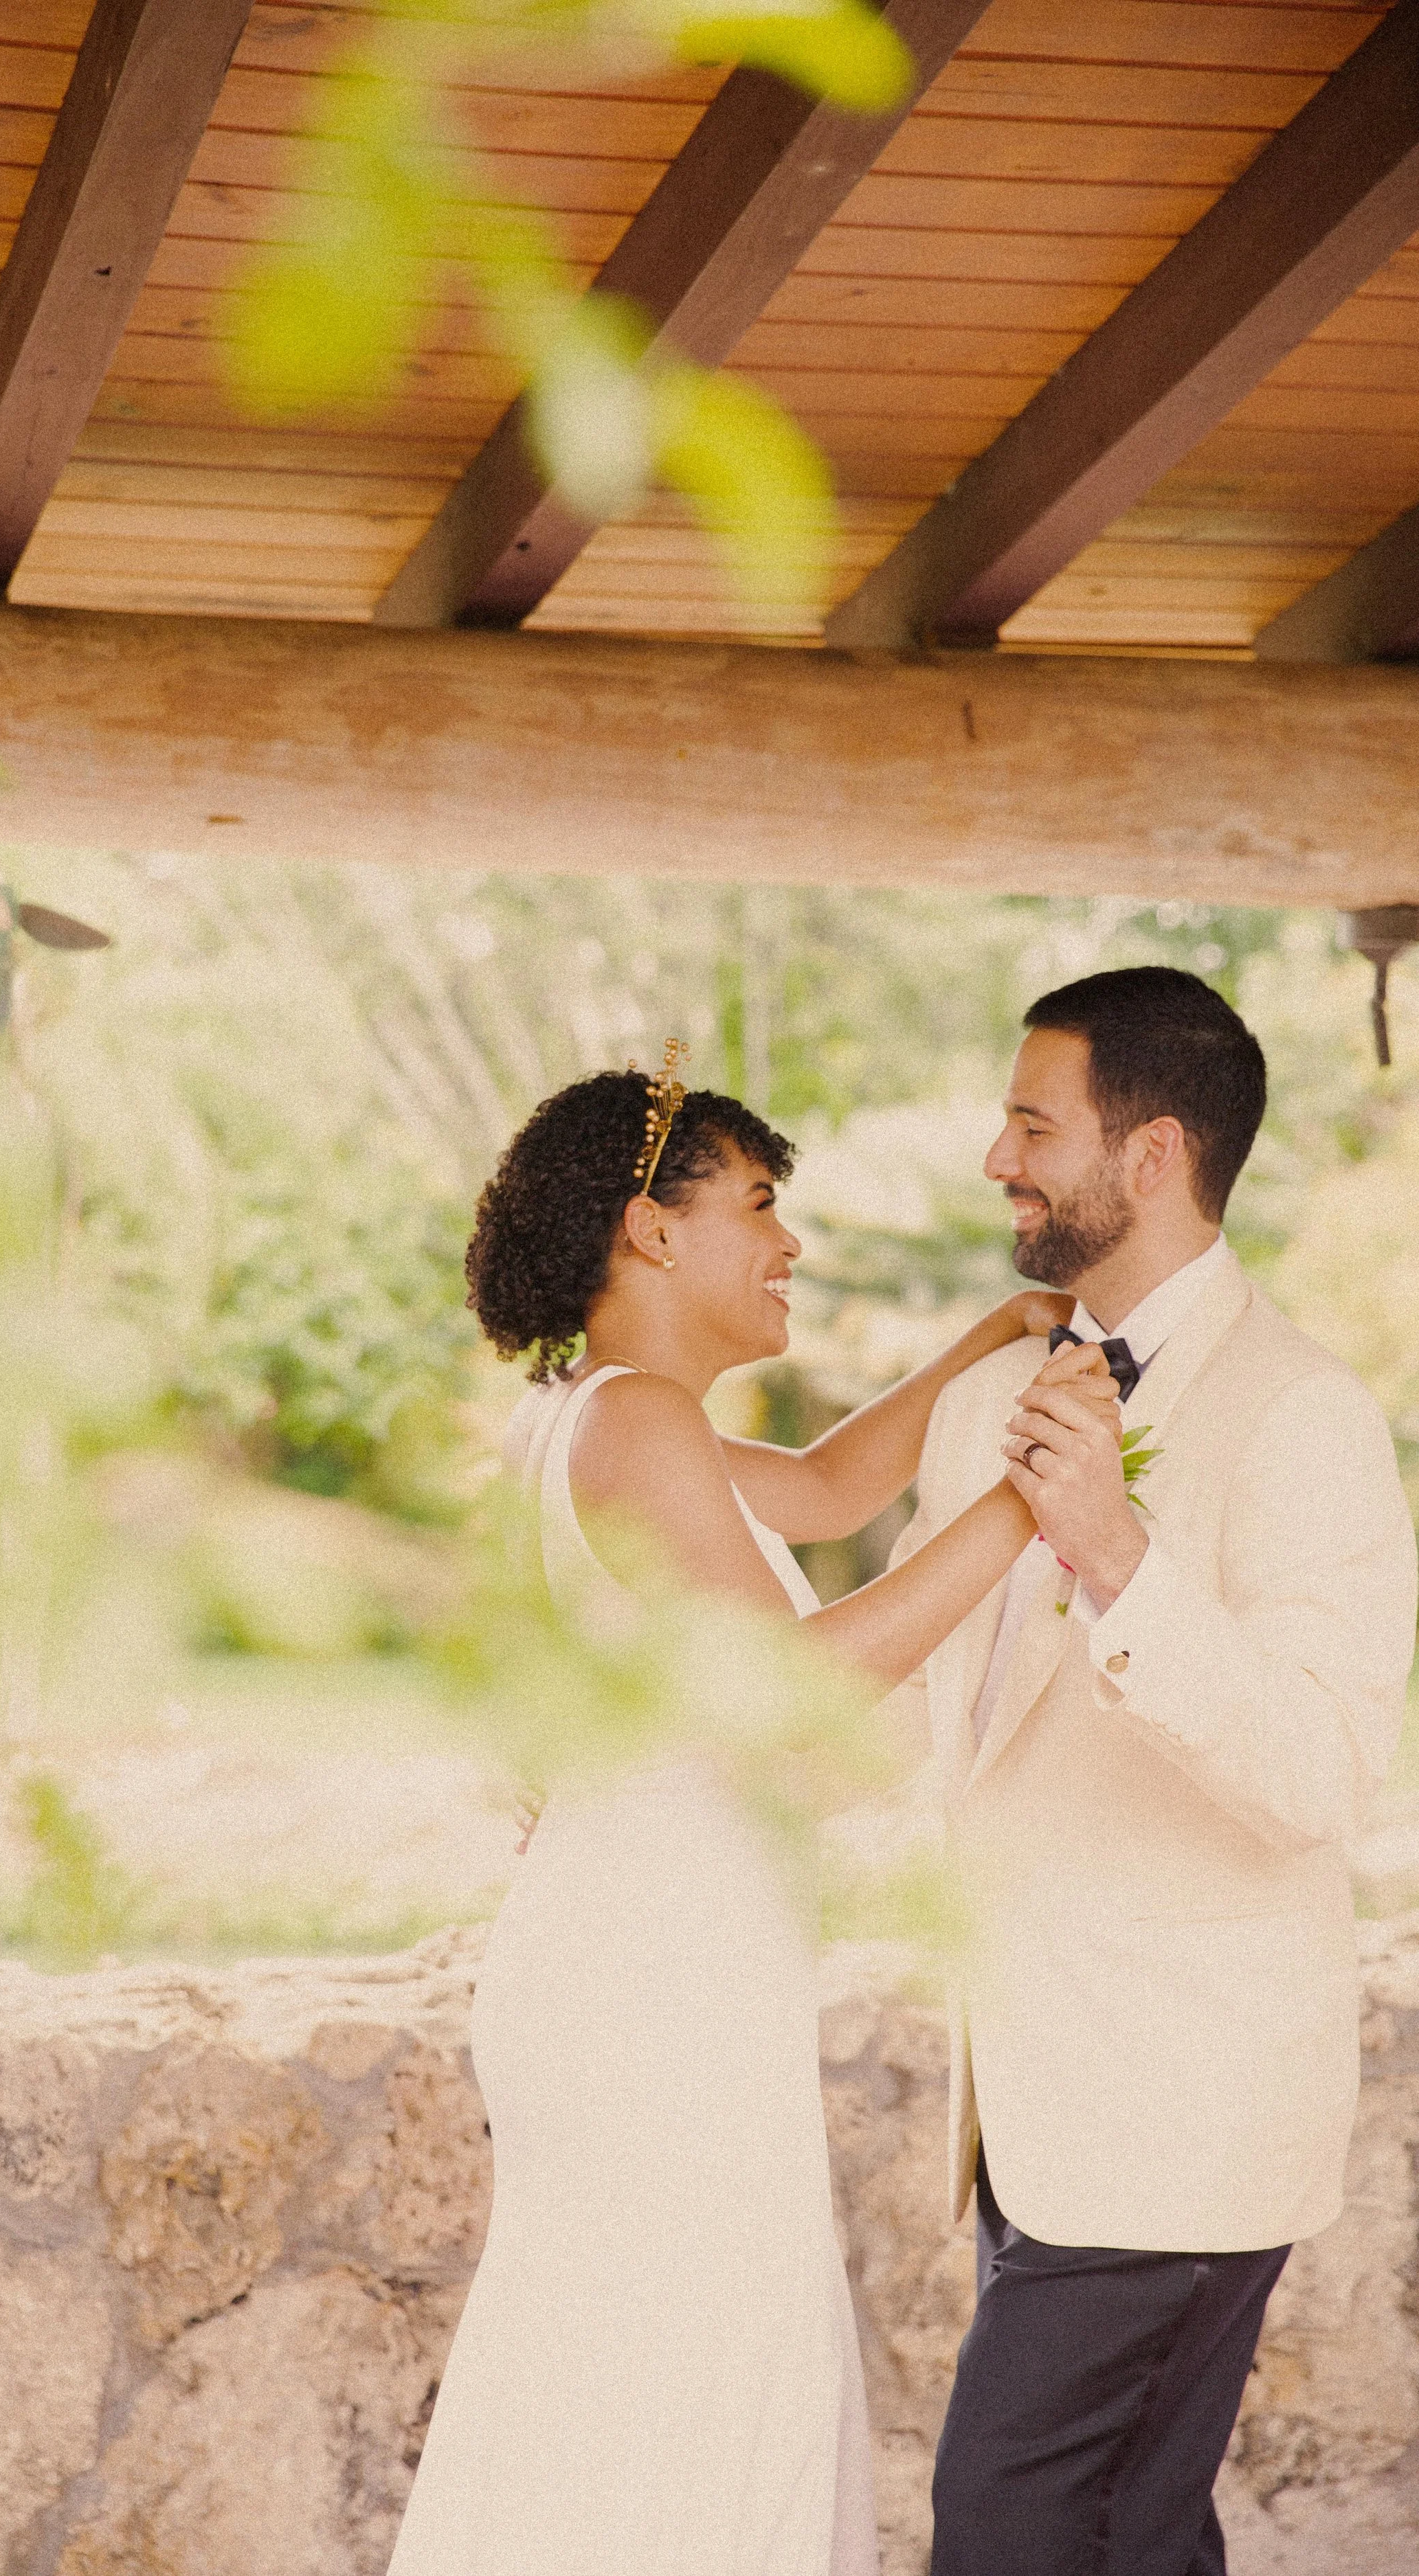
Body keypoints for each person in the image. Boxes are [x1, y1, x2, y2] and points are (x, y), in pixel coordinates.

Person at [386, 1061, 1114, 2576]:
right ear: (650, 1232)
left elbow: (835, 1480)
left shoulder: (592, 1416)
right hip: (654, 1989)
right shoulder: (634, 1416)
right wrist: (1033, 1500)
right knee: (693, 2378)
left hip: (643, 1966)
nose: (788, 1246)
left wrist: (988, 1339)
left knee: (639, 2382)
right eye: (760, 1206)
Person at [888, 967, 1418, 2576]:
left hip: (1181, 2110)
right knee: (1118, 2535)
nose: (994, 1157)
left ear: (1151, 1152)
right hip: (1028, 2101)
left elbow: (1324, 1771)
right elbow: (933, 1701)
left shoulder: (1303, 1415)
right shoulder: (985, 1393)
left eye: (1029, 1121)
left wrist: (1120, 1565)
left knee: (1010, 2524)